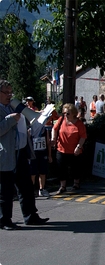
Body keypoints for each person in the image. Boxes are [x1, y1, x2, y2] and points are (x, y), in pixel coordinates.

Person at [0, 79, 49, 230]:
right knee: (5, 190)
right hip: (6, 155)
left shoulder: (12, 106)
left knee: (26, 187)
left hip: (20, 152)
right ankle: (4, 220)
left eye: (11, 92)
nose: (10, 95)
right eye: (6, 93)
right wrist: (10, 119)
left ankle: (30, 216)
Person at [51, 103, 87, 194]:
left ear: (73, 114)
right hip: (61, 148)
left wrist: (79, 147)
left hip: (75, 150)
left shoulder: (79, 124)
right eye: (64, 113)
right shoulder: (61, 120)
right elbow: (54, 129)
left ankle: (76, 183)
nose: (65, 115)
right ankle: (63, 186)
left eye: (68, 113)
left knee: (76, 168)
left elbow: (83, 136)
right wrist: (53, 139)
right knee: (61, 168)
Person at [30, 117, 52, 198]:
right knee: (33, 173)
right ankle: (31, 190)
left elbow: (48, 142)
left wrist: (49, 155)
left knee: (43, 172)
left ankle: (42, 189)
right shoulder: (31, 130)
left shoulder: (44, 130)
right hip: (33, 153)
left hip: (42, 153)